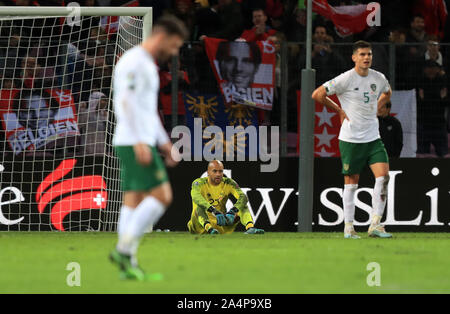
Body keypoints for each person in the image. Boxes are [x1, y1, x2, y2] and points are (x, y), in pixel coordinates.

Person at [109, 15, 188, 281]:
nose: (174, 52)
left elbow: (148, 111)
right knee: (162, 196)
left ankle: (127, 264)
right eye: (175, 45)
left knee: (133, 199)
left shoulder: (148, 65)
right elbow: (125, 102)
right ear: (162, 37)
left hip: (136, 139)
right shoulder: (133, 61)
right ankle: (123, 249)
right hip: (133, 141)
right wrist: (141, 141)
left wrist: (165, 143)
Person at [312, 40, 393, 239]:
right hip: (351, 139)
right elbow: (317, 94)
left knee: (383, 178)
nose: (367, 58)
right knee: (351, 182)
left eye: (369, 54)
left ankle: (375, 224)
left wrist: (378, 105)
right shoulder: (345, 79)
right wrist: (339, 109)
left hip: (373, 137)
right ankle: (349, 227)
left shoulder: (378, 77)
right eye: (363, 54)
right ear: (354, 57)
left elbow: (387, 92)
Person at [187, 160, 264, 235]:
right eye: (215, 171)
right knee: (199, 206)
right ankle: (209, 228)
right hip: (199, 226)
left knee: (242, 205)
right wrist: (213, 210)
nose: (218, 174)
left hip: (220, 222)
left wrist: (233, 211)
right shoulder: (199, 183)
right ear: (208, 172)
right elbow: (196, 197)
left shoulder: (228, 183)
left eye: (220, 171)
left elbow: (243, 197)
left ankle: (250, 228)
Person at [416, 60, 449, 157]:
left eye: (434, 69)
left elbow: (446, 102)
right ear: (424, 70)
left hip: (439, 123)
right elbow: (417, 102)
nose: (431, 71)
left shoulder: (443, 82)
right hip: (423, 123)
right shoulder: (420, 81)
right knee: (422, 154)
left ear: (438, 70)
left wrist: (443, 99)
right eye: (428, 69)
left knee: (443, 154)